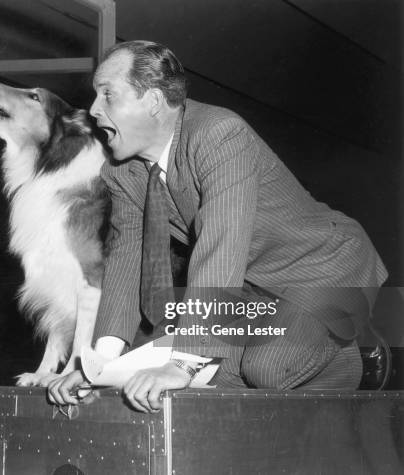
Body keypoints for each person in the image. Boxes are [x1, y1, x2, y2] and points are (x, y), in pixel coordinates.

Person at [47, 40, 387, 412]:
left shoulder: (220, 134)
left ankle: (354, 359)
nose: (93, 110)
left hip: (327, 268)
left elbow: (220, 246)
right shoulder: (121, 171)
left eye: (107, 94)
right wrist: (100, 366)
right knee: (211, 372)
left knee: (265, 368)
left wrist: (183, 364)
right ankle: (310, 346)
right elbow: (127, 261)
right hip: (256, 289)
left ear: (154, 102)